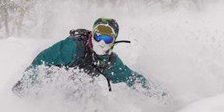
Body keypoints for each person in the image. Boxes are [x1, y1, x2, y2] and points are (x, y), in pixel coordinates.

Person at [12, 18, 152, 95]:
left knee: (88, 93)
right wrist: (25, 84)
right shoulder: (72, 48)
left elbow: (131, 78)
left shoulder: (109, 62)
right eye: (98, 36)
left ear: (114, 41)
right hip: (53, 78)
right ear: (92, 35)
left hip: (78, 88)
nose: (102, 42)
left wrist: (158, 94)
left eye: (107, 38)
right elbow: (42, 60)